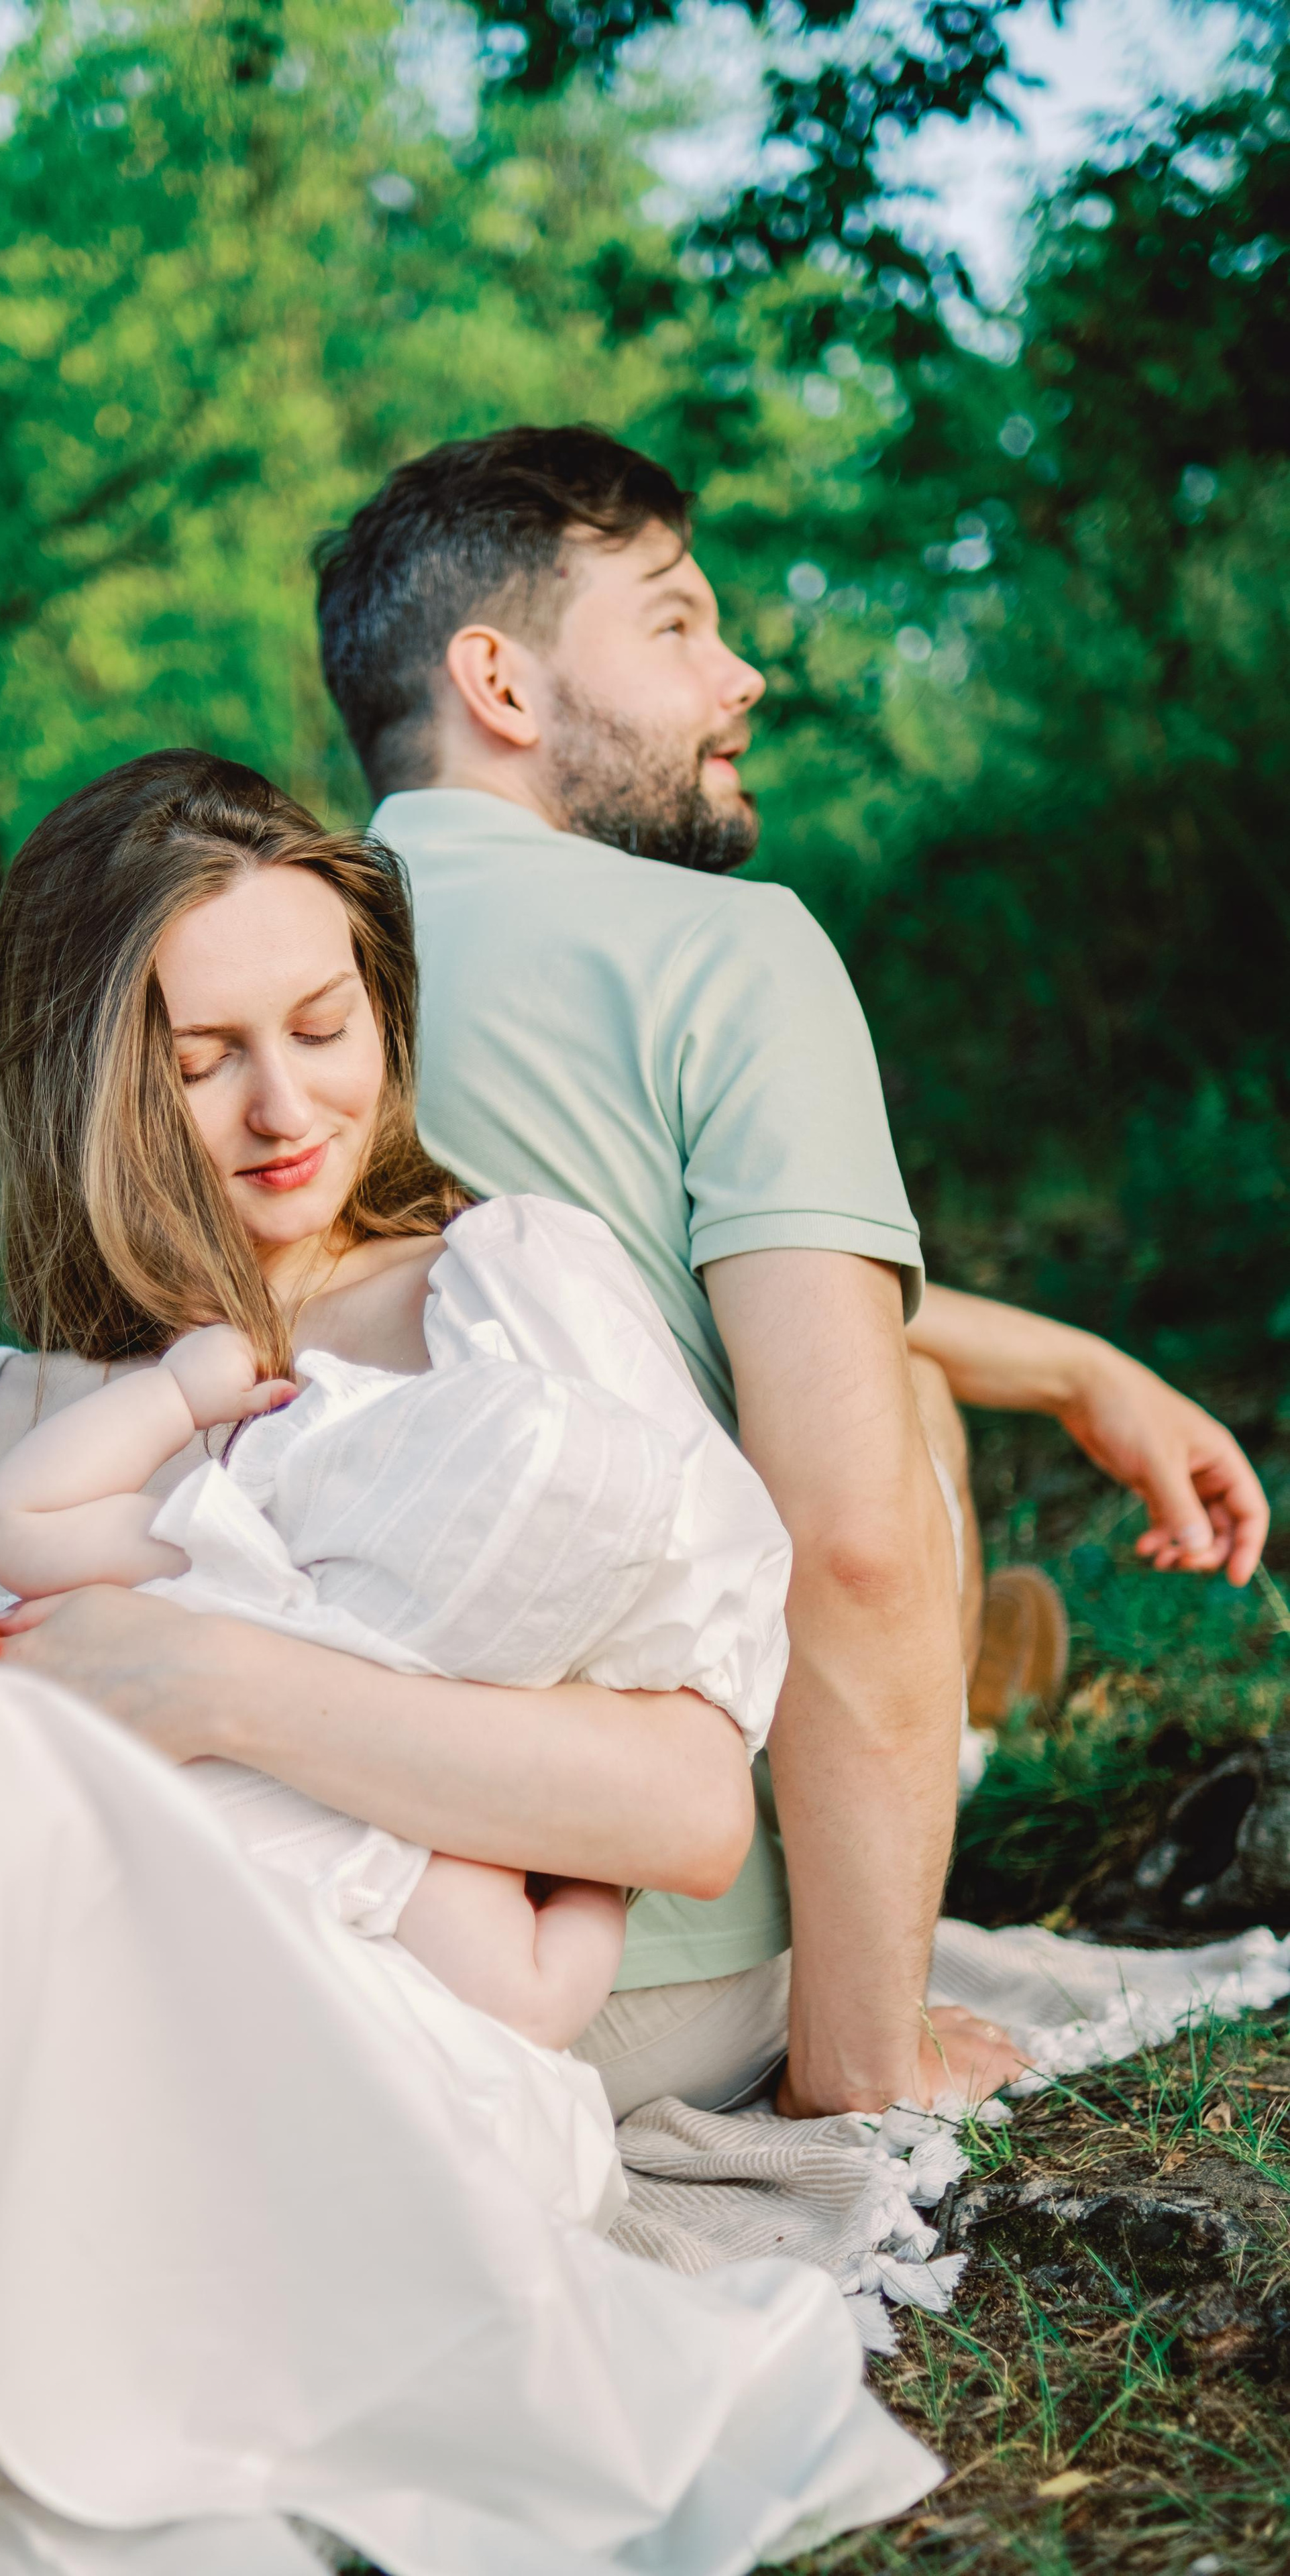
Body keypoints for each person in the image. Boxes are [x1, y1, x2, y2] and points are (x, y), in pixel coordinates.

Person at [0, 751, 936, 2576]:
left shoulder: (505, 1302)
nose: (285, 1106)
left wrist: (204, 1680)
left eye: (324, 1022)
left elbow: (687, 1806)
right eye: (202, 1057)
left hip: (337, 2038)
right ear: (82, 1079)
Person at [311, 423, 1272, 2127]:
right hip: (648, 1981)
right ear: (501, 685)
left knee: (852, 1355)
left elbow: (594, 1289)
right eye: (673, 623)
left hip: (330, 1929)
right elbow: (841, 1534)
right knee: (880, 1410)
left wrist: (1067, 1361)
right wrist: (866, 2044)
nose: (736, 670)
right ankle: (957, 1729)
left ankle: (970, 1703)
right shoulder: (724, 950)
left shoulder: (248, 972)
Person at [0, 1191, 790, 2045]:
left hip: (76, 1939)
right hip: (125, 1975)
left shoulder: (254, 1553)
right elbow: (533, 2001)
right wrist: (584, 1878)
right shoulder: (447, 1844)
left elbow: (16, 1523)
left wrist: (175, 1399)